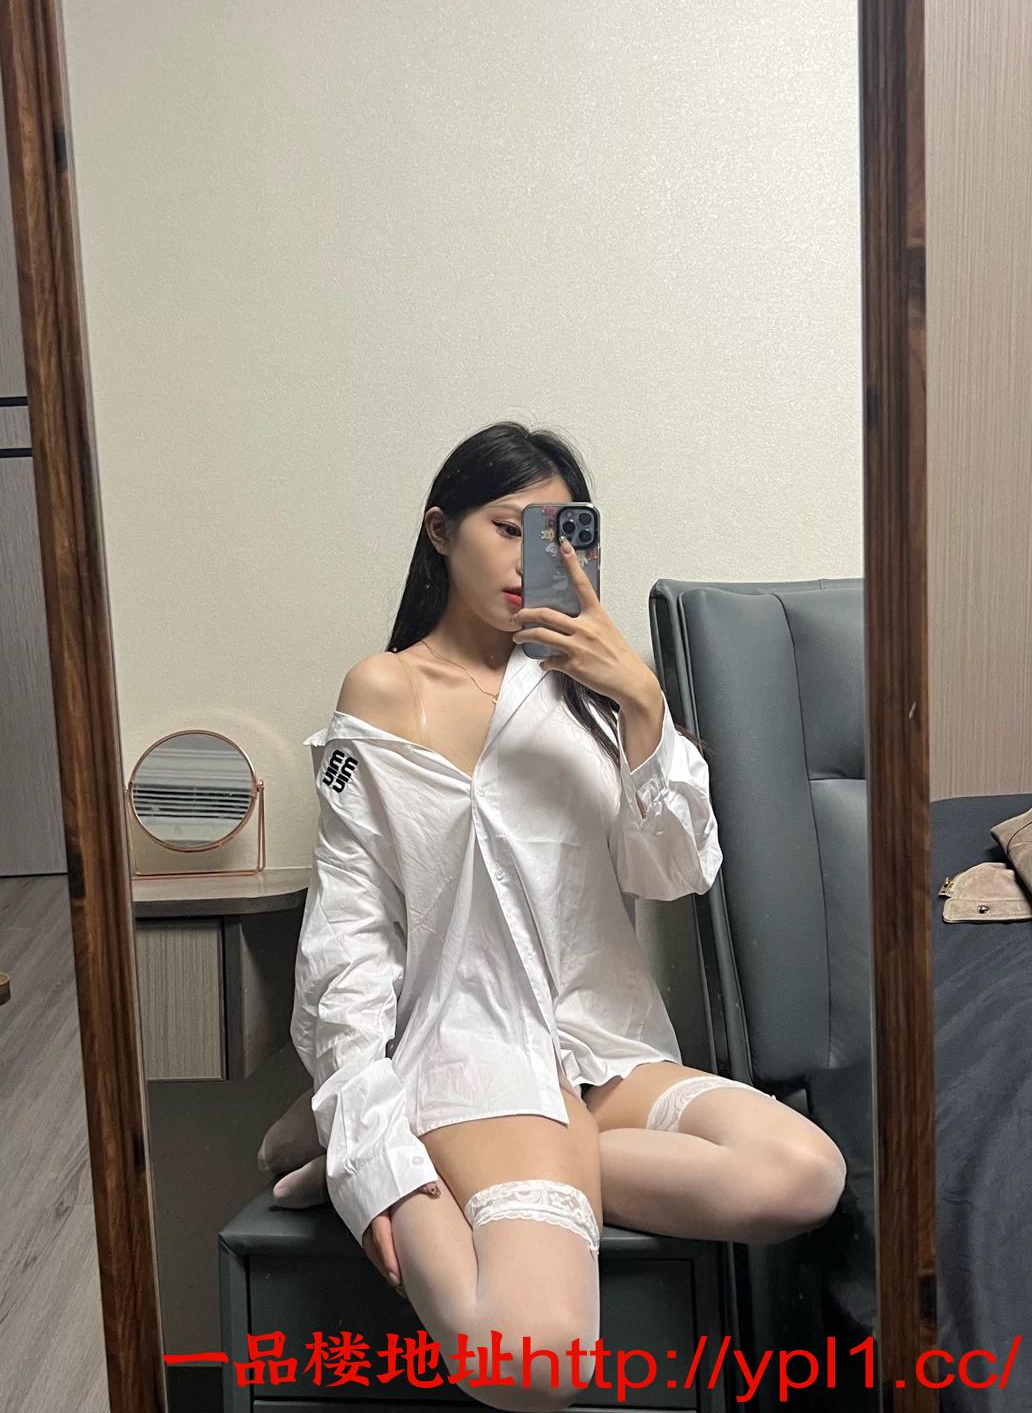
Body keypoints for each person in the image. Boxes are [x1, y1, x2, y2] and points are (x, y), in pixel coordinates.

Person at [286, 422, 848, 1412]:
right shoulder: (384, 691)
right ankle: (385, 1153)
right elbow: (350, 941)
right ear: (440, 531)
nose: (530, 560)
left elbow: (675, 870)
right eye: (507, 529)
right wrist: (374, 1160)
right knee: (535, 1362)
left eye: (557, 537)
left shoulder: (588, 698)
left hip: (599, 1046)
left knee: (803, 1174)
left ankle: (523, 1155)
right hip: (473, 1050)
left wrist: (640, 701)